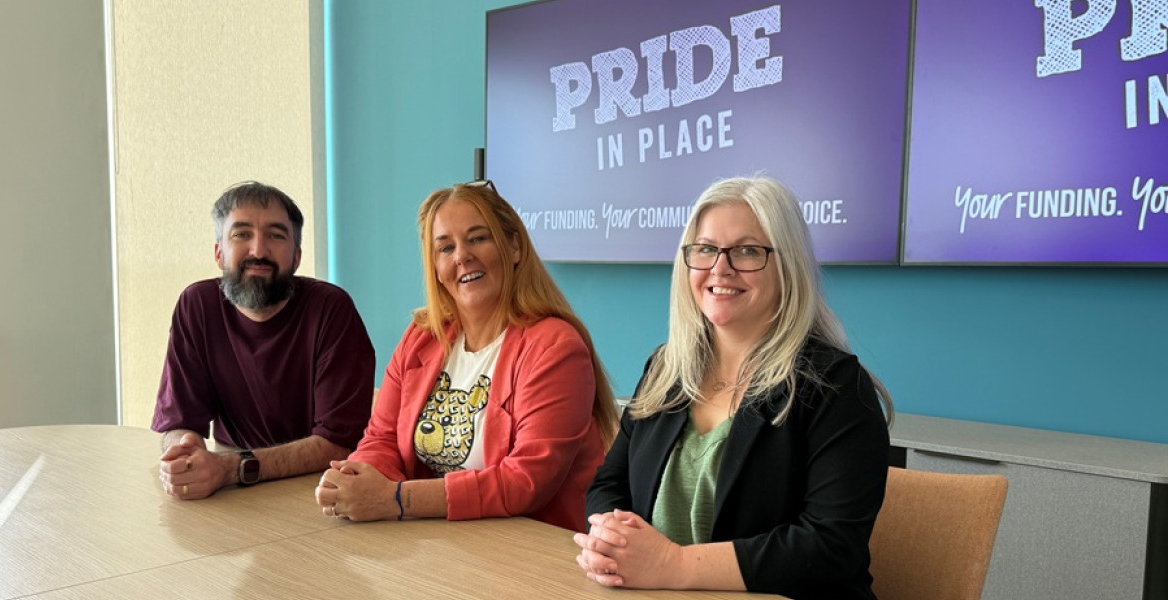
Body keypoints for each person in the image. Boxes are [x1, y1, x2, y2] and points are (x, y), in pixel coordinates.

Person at [575, 176, 893, 599]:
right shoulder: (667, 368)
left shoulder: (837, 386)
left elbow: (829, 547)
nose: (719, 269)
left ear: (788, 265)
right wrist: (612, 540)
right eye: (705, 249)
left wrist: (670, 564)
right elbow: (609, 484)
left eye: (747, 251)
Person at [314, 180, 619, 532]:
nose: (461, 256)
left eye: (477, 238)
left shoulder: (555, 347)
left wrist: (397, 499)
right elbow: (381, 439)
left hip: (534, 552)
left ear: (514, 247)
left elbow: (524, 482)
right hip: (442, 540)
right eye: (445, 248)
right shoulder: (421, 337)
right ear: (435, 266)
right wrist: (356, 480)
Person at [152, 181, 376, 500]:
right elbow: (178, 422)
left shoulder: (331, 310)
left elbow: (336, 443)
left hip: (317, 491)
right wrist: (184, 454)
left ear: (296, 256)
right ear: (219, 252)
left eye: (275, 235)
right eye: (242, 234)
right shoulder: (196, 305)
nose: (258, 250)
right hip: (236, 497)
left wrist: (232, 468)